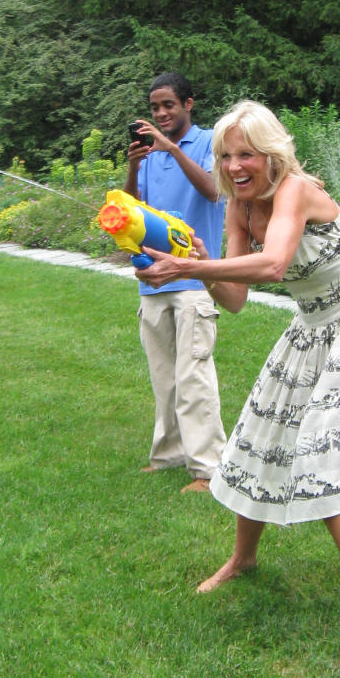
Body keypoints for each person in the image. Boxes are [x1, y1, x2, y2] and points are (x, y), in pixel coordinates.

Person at [139, 100, 340, 671]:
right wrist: (203, 261)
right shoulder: (239, 208)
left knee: (324, 463)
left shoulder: (296, 190)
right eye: (227, 155)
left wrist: (188, 270)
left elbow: (272, 264)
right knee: (256, 442)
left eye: (248, 154)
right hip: (311, 330)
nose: (237, 166)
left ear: (272, 153)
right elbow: (235, 300)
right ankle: (243, 560)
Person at [125, 72, 227, 492]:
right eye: (154, 108)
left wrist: (171, 149)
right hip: (154, 280)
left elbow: (214, 191)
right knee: (164, 377)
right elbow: (134, 211)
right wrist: (134, 167)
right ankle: (168, 454)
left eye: (168, 105)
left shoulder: (209, 144)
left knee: (194, 376)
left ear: (189, 104)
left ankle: (208, 468)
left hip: (193, 281)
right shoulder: (148, 154)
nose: (161, 114)